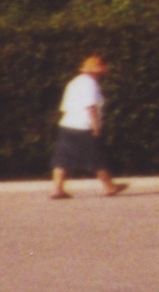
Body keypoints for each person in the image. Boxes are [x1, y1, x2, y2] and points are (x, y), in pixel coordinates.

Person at [51, 56, 128, 199]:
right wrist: (96, 127)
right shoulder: (90, 84)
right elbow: (91, 107)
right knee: (97, 157)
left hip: (67, 124)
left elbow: (65, 106)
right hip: (84, 126)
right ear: (96, 71)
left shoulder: (74, 82)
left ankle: (58, 189)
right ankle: (109, 187)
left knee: (62, 158)